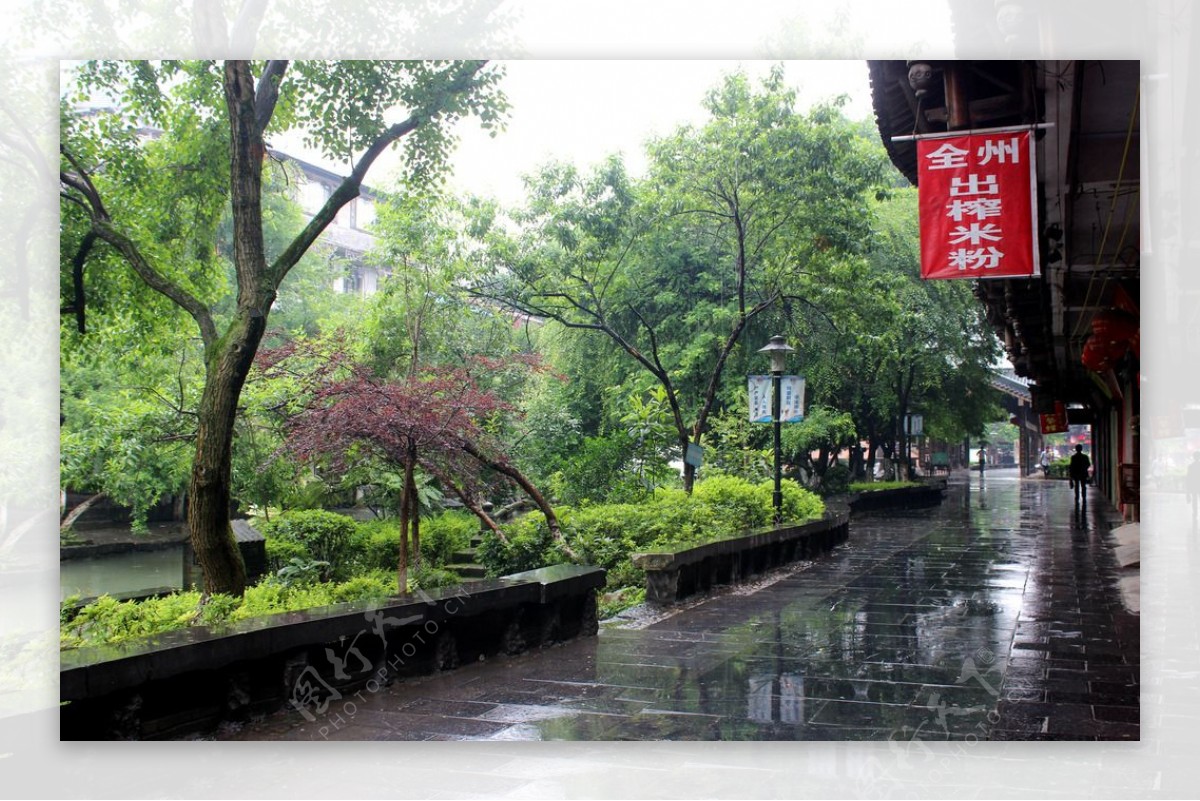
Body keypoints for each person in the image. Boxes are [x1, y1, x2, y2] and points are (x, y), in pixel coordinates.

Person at [1188, 452, 1200, 521]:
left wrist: (1188, 491)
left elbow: (1188, 478)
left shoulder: (1191, 466)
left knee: (1194, 500)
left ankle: (1195, 513)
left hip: (1194, 486)